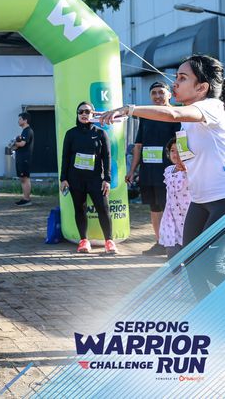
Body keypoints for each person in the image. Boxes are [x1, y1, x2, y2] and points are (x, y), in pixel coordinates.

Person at [99, 55, 225, 298]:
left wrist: (130, 109)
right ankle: (206, 313)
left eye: (182, 78)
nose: (174, 83)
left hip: (221, 200)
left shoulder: (212, 106)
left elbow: (172, 114)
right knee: (189, 260)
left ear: (202, 87)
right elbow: (190, 153)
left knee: (210, 264)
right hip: (199, 201)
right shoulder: (188, 122)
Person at [125, 82, 180, 256]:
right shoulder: (146, 116)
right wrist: (132, 170)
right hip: (148, 171)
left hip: (169, 172)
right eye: (154, 93)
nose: (157, 96)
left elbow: (181, 144)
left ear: (169, 95)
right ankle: (160, 242)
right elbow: (138, 146)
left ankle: (174, 243)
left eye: (161, 92)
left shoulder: (176, 115)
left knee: (169, 208)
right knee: (154, 208)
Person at [60, 101, 117, 255]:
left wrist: (107, 179)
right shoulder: (71, 134)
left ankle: (109, 241)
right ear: (77, 115)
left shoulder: (101, 133)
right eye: (81, 112)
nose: (84, 114)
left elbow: (107, 157)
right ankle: (83, 240)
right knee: (80, 209)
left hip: (96, 179)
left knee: (103, 209)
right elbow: (65, 157)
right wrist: (63, 178)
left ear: (93, 114)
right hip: (75, 179)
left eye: (87, 111)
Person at [159, 137, 190, 259]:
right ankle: (175, 271)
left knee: (189, 250)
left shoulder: (192, 170)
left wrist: (187, 169)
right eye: (172, 150)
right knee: (171, 250)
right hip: (171, 217)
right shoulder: (168, 170)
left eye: (179, 151)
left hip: (187, 216)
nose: (175, 154)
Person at [13, 112, 34, 206]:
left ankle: (27, 199)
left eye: (20, 119)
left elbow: (22, 144)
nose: (18, 121)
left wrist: (14, 143)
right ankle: (25, 198)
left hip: (25, 159)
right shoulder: (24, 131)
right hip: (21, 158)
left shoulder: (28, 131)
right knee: (23, 179)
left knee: (25, 178)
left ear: (25, 120)